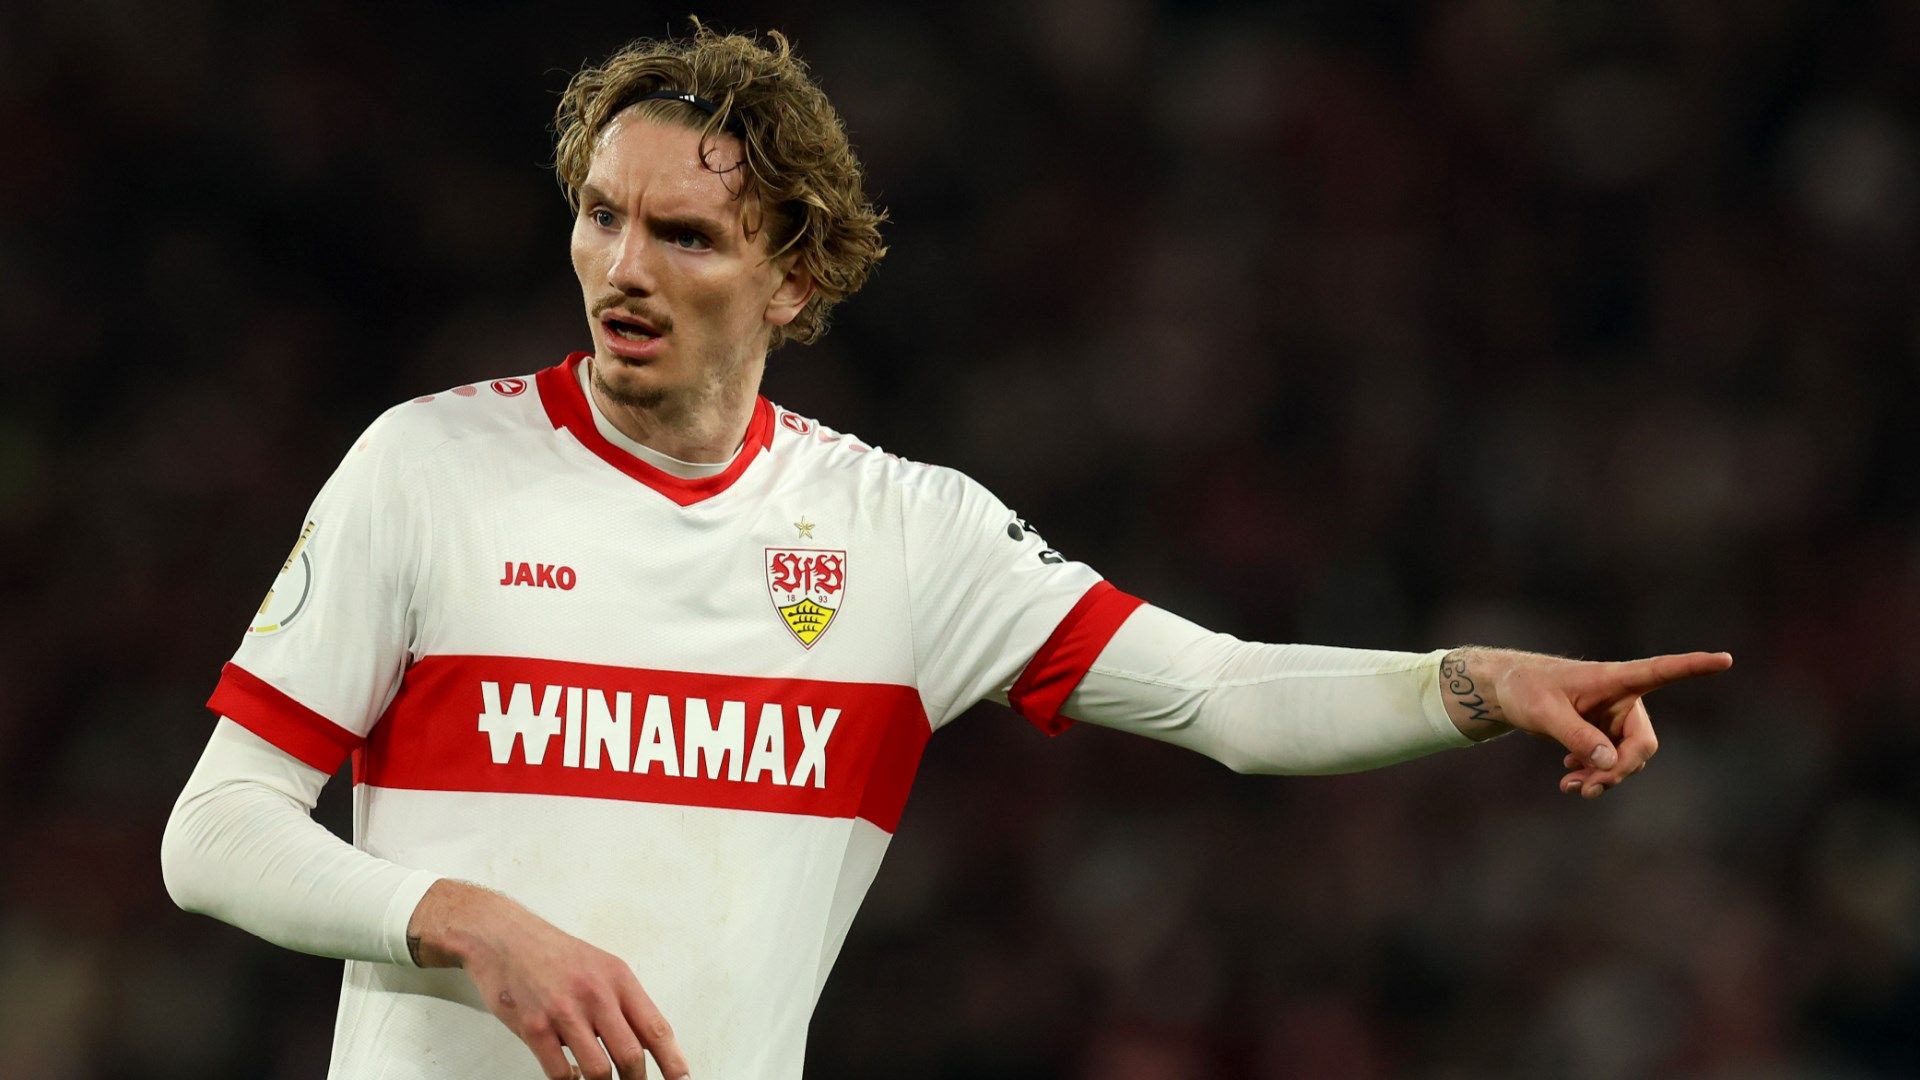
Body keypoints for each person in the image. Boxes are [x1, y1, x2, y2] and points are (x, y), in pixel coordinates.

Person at [161, 24, 1732, 1080]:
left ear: (793, 278)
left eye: (685, 235)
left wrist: (1476, 683)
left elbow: (1227, 697)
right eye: (599, 215)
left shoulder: (904, 538)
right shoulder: (429, 469)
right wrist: (463, 918)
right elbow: (214, 831)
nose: (621, 267)